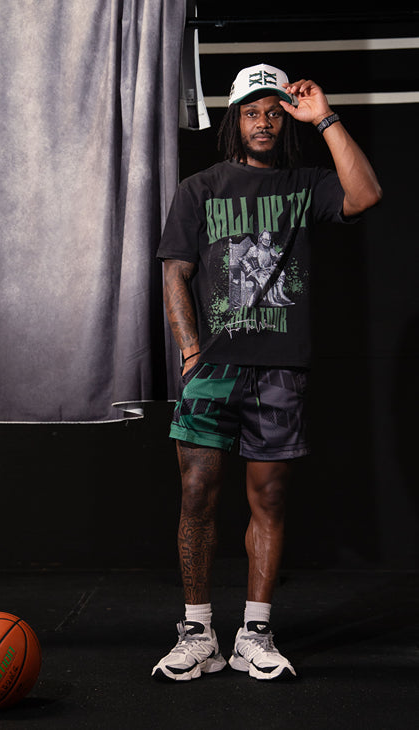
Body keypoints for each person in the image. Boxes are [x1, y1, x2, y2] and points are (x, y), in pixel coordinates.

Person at [152, 63, 382, 682]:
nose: (264, 122)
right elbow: (175, 273)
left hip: (280, 367)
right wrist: (190, 352)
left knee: (271, 497)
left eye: (275, 113)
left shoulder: (304, 184)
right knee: (196, 491)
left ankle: (254, 633)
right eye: (252, 112)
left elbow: (365, 195)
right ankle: (198, 632)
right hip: (213, 366)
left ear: (286, 122)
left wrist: (324, 117)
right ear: (235, 120)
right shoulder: (200, 188)